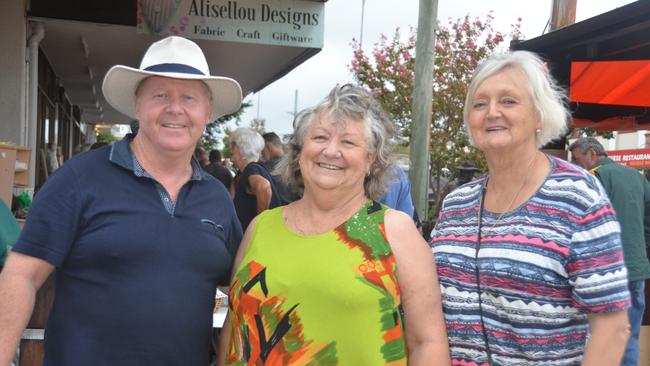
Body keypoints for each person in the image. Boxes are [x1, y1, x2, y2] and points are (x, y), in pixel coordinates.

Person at [0, 36, 243, 365]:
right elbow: (21, 275)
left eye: (189, 98)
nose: (176, 109)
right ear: (137, 105)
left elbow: (242, 290)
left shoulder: (217, 198)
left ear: (207, 112)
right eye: (160, 95)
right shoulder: (78, 180)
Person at [219, 84, 450, 365]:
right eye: (320, 137)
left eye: (348, 142)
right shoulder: (260, 228)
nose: (331, 150)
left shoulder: (394, 232)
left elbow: (427, 343)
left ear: (371, 160)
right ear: (300, 151)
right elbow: (234, 323)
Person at [430, 51, 631, 365]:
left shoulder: (576, 196)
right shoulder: (457, 203)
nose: (492, 112)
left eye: (508, 101)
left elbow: (612, 326)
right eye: (480, 104)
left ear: (539, 115)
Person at [569, 136, 650, 366]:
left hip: (604, 271)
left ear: (592, 154)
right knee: (629, 334)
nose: (575, 165)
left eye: (577, 159)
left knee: (599, 338)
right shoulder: (637, 176)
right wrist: (639, 246)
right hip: (636, 267)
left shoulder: (593, 177)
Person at [229, 127, 281, 231]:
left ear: (240, 149)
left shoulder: (251, 169)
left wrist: (259, 226)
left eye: (233, 145)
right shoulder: (254, 169)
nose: (230, 148)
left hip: (255, 240)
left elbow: (264, 186)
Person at [262, 131, 301, 204]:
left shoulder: (264, 168)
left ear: (268, 147)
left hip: (277, 212)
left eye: (262, 150)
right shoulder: (298, 164)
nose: (261, 155)